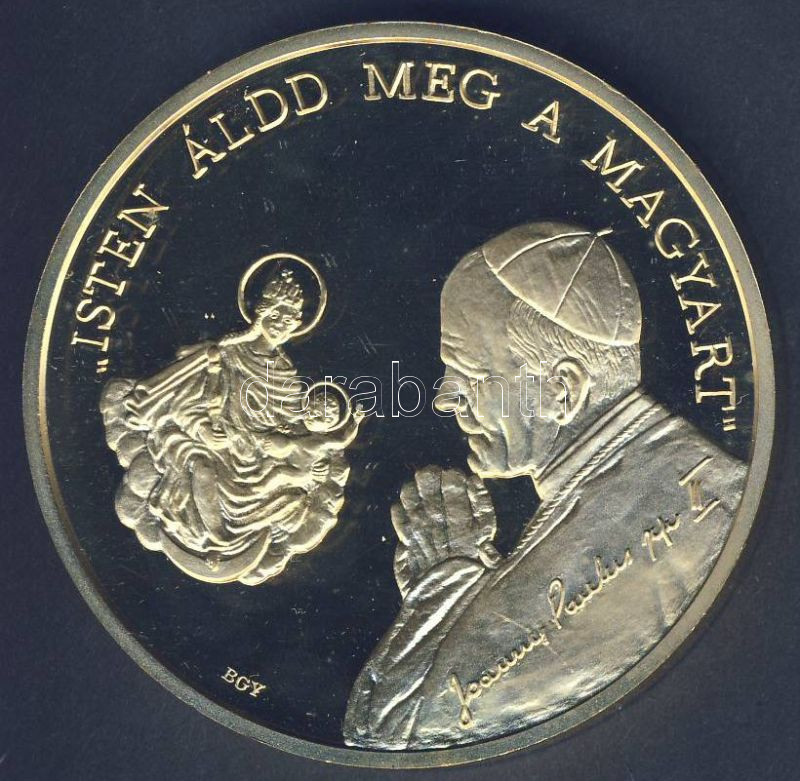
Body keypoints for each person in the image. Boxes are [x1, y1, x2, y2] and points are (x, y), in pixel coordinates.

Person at [344, 222, 747, 749]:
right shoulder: (701, 475)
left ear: (562, 390)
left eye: (471, 373)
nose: (444, 398)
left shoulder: (618, 518)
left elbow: (392, 734)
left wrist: (444, 587)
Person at [101, 268, 362, 585]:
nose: (282, 326)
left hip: (255, 457)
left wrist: (310, 463)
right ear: (261, 314)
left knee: (291, 496)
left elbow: (293, 430)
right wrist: (203, 430)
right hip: (207, 445)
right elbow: (180, 405)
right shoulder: (224, 354)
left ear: (296, 325)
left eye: (290, 320)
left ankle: (236, 526)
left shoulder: (287, 377)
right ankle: (220, 536)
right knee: (202, 468)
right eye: (276, 316)